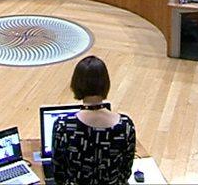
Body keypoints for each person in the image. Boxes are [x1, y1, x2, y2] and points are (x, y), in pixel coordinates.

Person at [51, 56, 135, 185]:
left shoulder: (63, 126)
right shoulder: (126, 125)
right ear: (106, 84)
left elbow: (58, 174)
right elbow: (125, 172)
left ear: (76, 84)